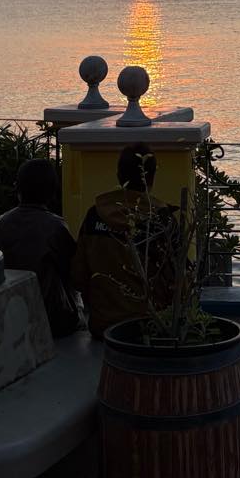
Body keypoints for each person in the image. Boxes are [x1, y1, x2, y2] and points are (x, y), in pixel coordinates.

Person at [70, 144, 174, 338]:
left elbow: (78, 276)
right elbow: (176, 281)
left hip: (103, 326)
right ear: (151, 178)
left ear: (119, 176)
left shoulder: (94, 216)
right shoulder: (161, 219)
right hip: (151, 327)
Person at [0, 158, 81, 336]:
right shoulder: (55, 227)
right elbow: (74, 273)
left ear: (18, 189)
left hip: (8, 313)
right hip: (49, 317)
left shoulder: (1, 222)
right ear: (52, 192)